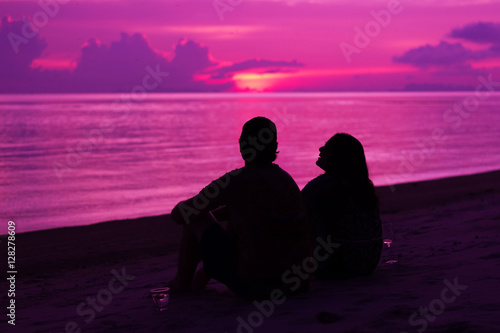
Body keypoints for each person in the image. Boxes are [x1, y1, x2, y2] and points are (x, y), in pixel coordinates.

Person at [170, 117, 310, 299]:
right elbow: (263, 217)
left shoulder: (235, 181)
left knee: (195, 218)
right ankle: (194, 283)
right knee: (239, 217)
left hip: (255, 285)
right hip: (297, 283)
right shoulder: (286, 180)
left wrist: (195, 208)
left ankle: (181, 284)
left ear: (242, 145)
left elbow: (180, 215)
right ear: (274, 145)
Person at [301, 133, 382, 279]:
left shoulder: (322, 187)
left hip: (340, 266)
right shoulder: (363, 185)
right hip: (369, 261)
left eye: (326, 147)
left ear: (337, 156)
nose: (320, 149)